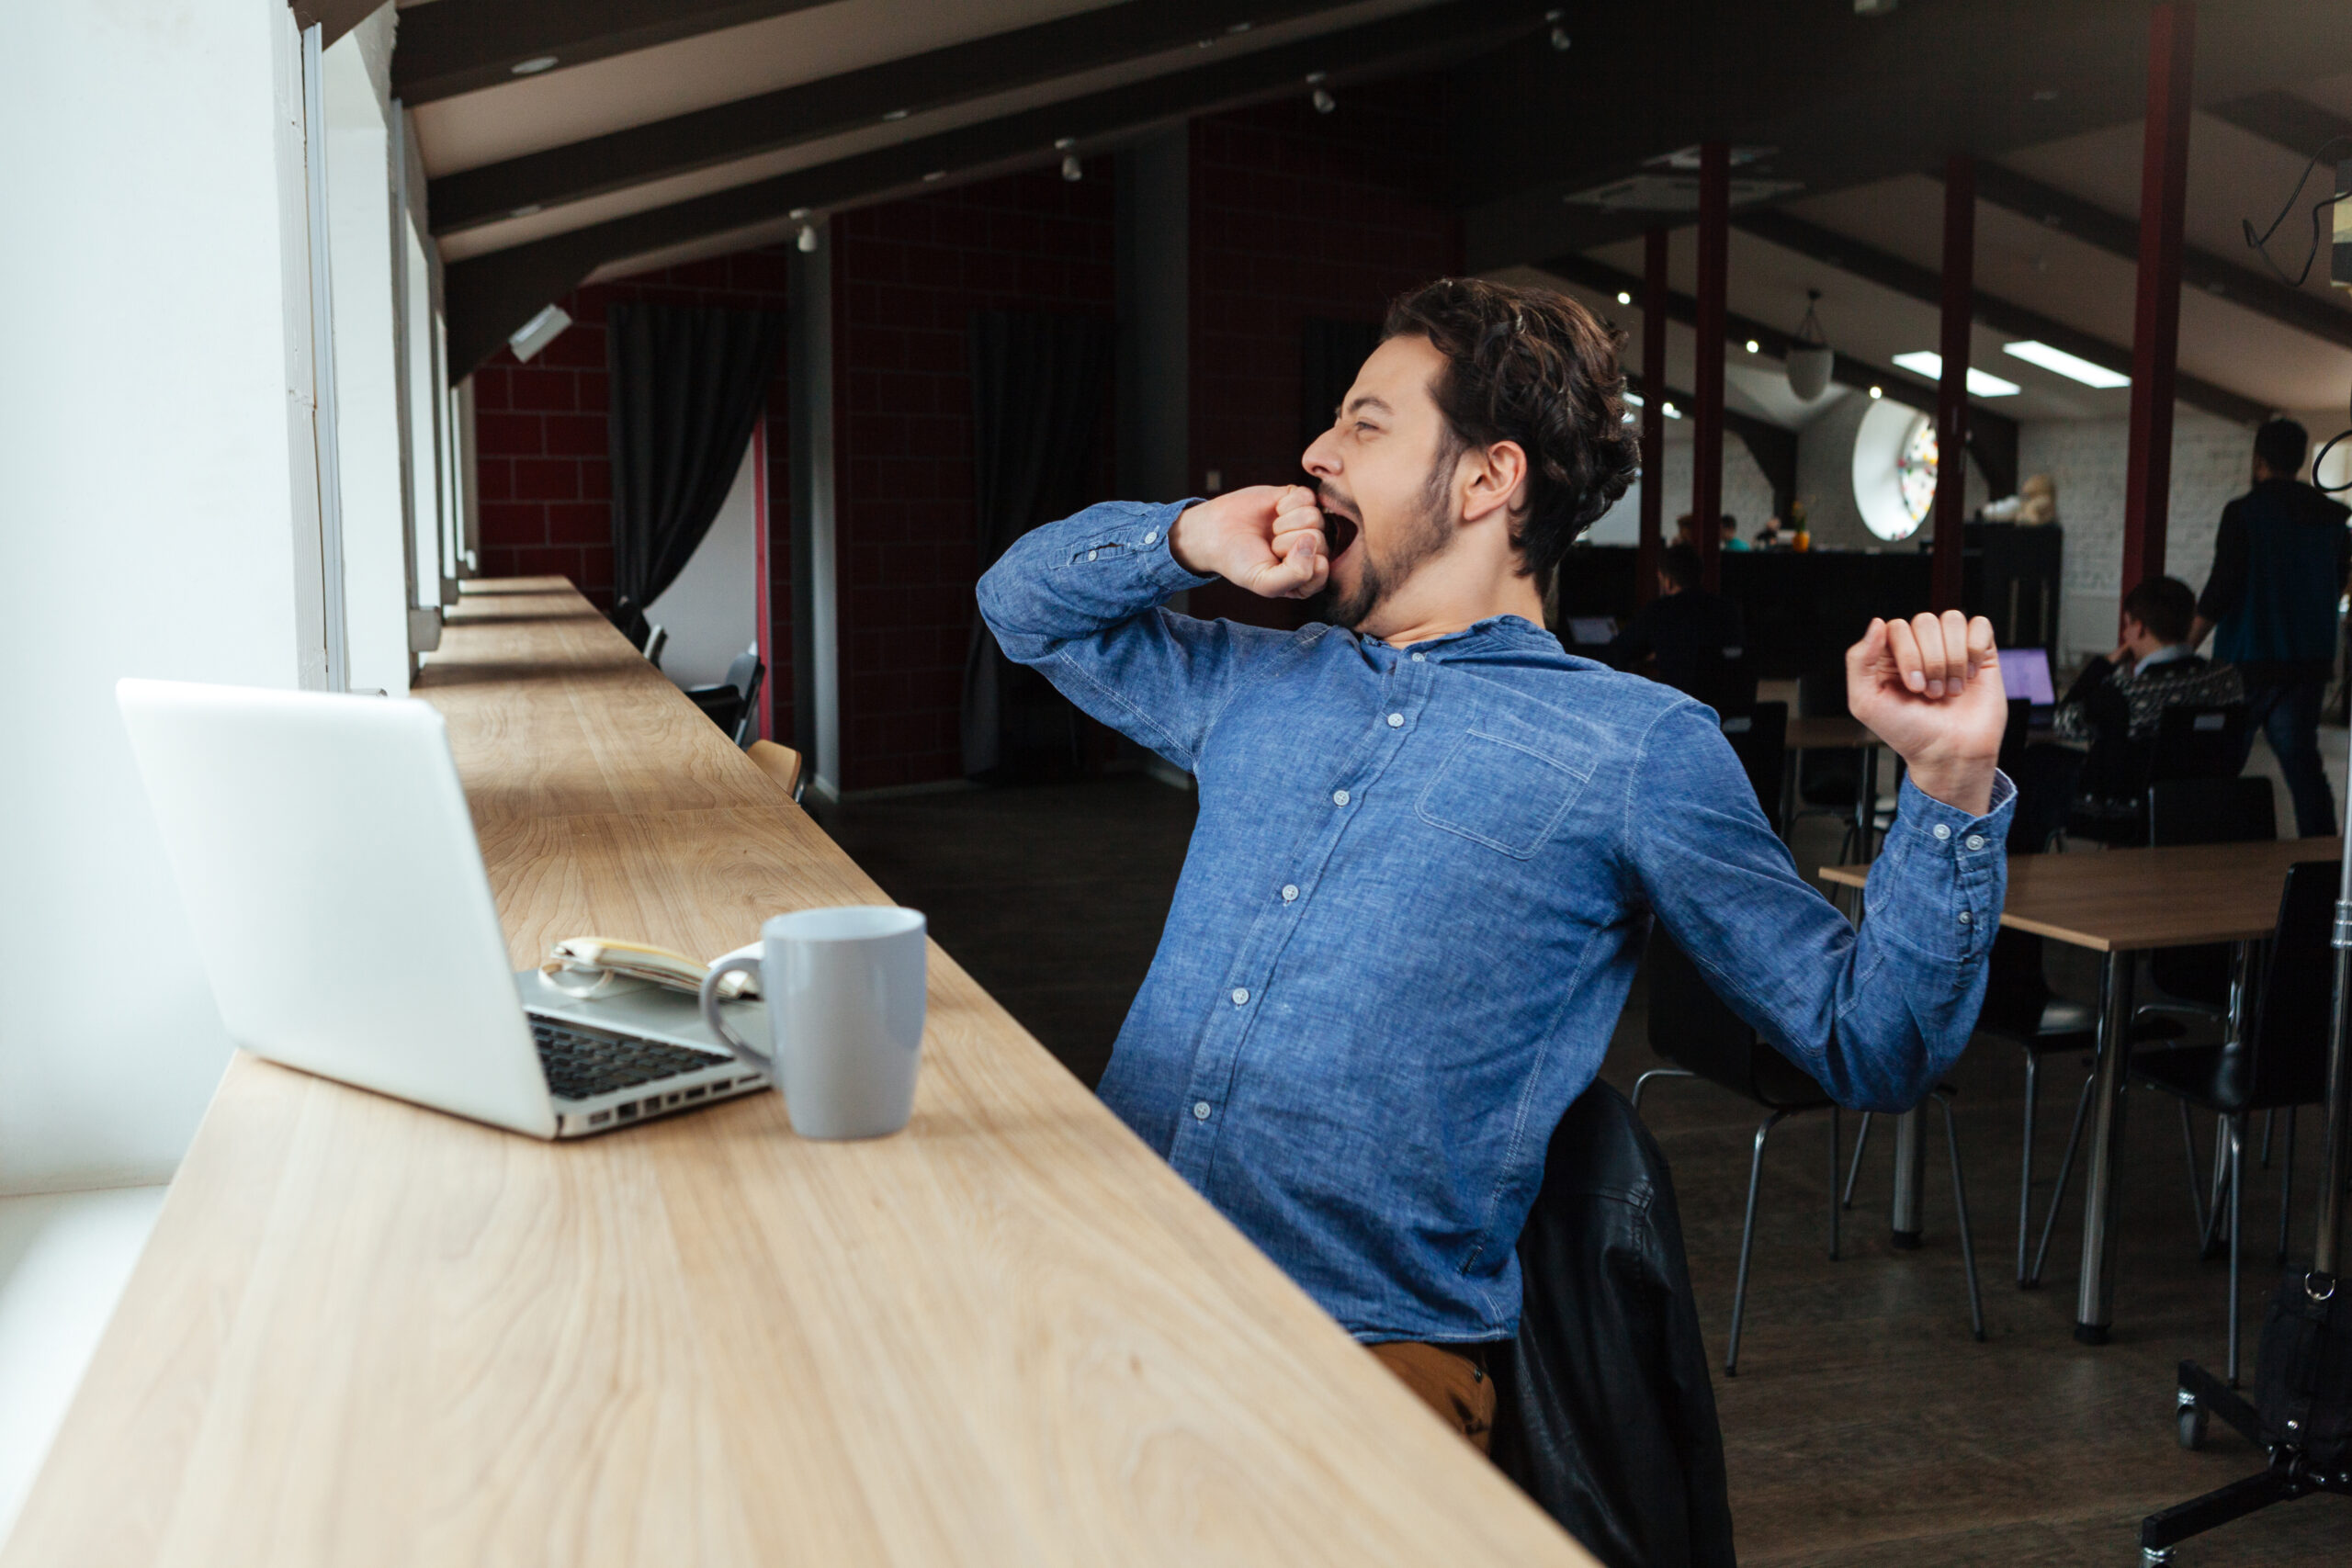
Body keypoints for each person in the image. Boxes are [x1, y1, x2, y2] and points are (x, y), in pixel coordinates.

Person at [976, 276, 2011, 1452]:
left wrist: (1949, 788)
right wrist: (1181, 536)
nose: (1316, 451)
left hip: (1352, 1351)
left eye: (1365, 424)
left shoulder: (1637, 746)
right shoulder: (1256, 680)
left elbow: (1871, 1043)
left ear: (1486, 479)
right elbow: (1022, 609)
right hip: (1099, 1260)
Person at [2190, 418, 2350, 837]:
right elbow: (2338, 585)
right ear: (2300, 460)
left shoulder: (2244, 513)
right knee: (2303, 768)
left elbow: (2221, 588)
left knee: (2222, 765)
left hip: (2247, 660)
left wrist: (2184, 645)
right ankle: (2322, 854)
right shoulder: (2334, 518)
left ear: (2258, 458)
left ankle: (2208, 847)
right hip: (2308, 662)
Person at [2054, 576, 2243, 834]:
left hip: (2131, 817)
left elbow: (2064, 722)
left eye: (2127, 626)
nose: (2125, 634)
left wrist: (2106, 663)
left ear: (2139, 628)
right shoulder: (2226, 678)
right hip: (2209, 809)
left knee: (2042, 763)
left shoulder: (2126, 693)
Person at [1603, 542, 1749, 711]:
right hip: (1730, 706)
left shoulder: (1660, 611)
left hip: (1681, 708)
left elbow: (1620, 651)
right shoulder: (1728, 610)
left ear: (1669, 581)